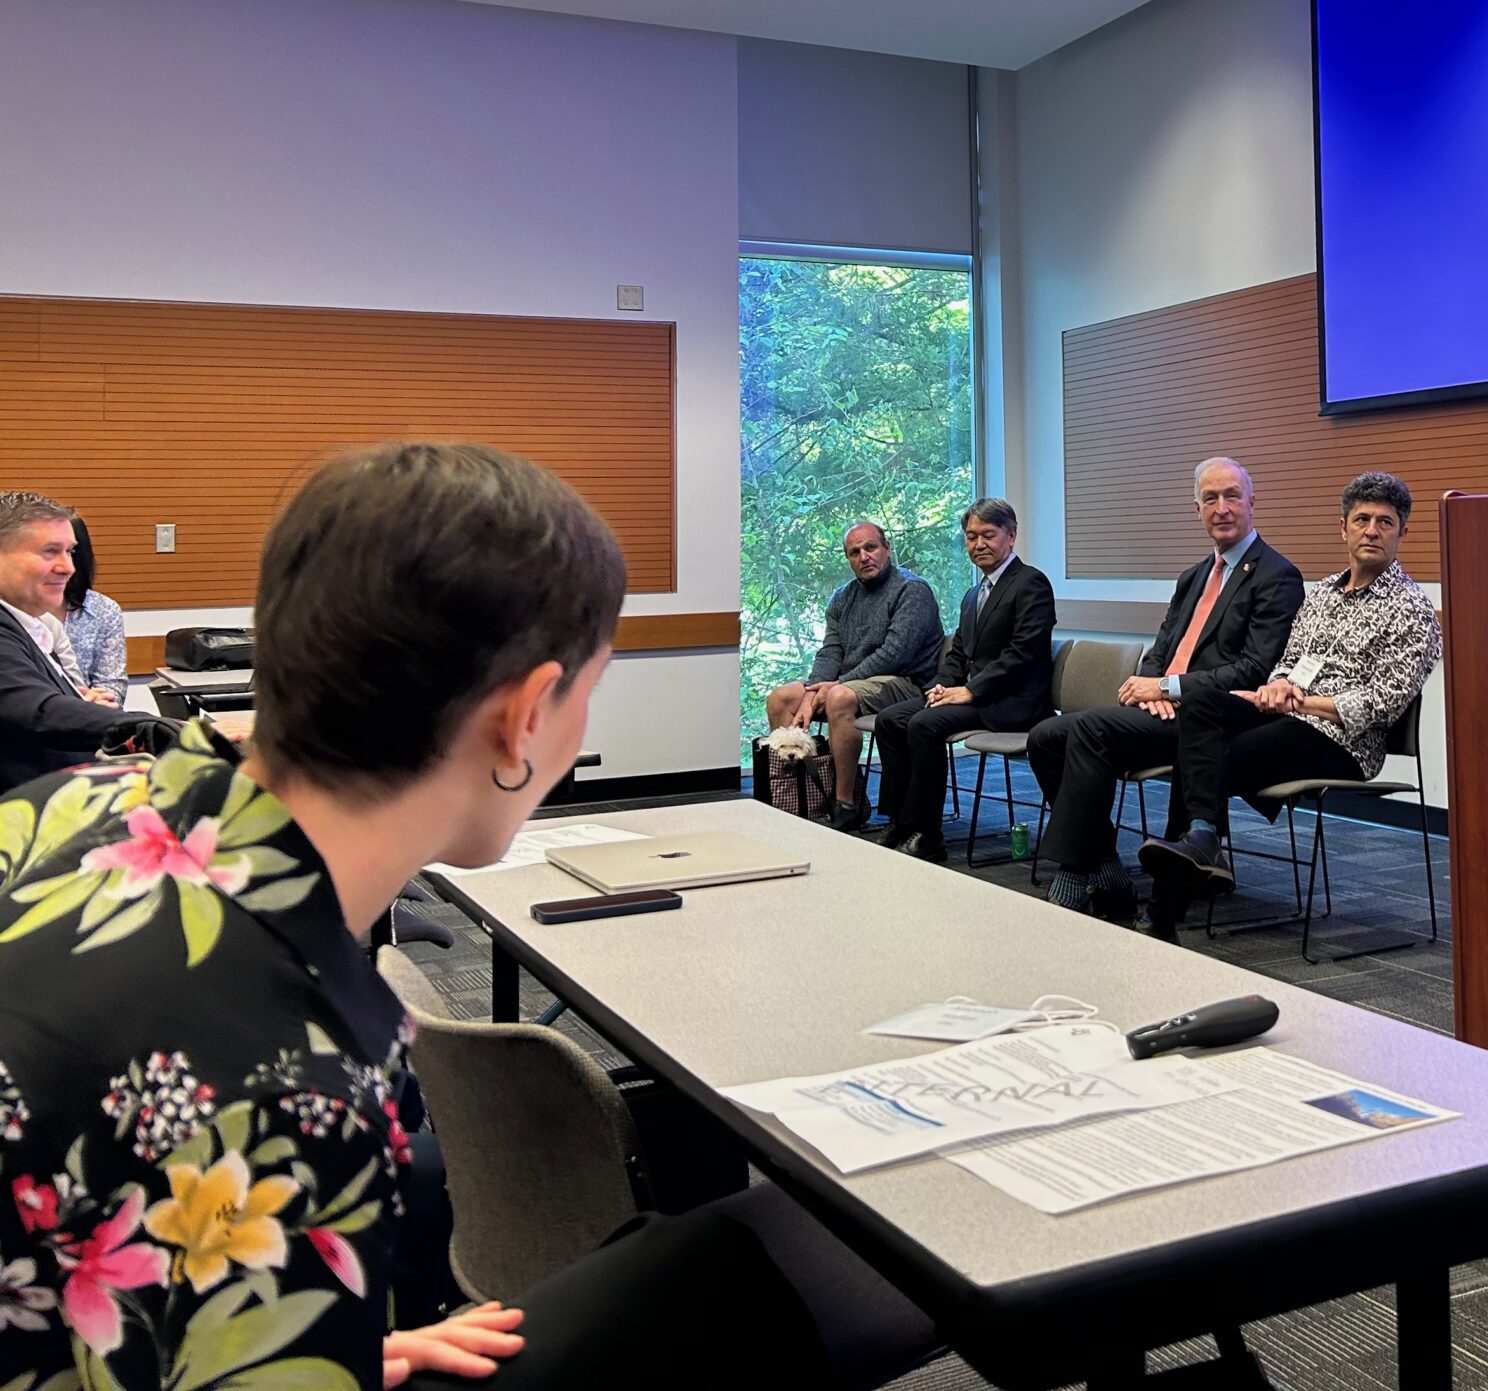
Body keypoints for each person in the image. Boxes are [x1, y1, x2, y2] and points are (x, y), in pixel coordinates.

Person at [0, 443, 920, 1388]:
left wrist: (297, 1328)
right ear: (523, 717)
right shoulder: (288, 1059)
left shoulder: (64, 809)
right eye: (586, 693)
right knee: (776, 1269)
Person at [1138, 473, 1441, 933]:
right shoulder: (1319, 595)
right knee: (1201, 703)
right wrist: (1278, 686)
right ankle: (1203, 838)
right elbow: (1288, 660)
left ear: (1403, 532)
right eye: (1362, 520)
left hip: (1343, 742)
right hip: (1286, 716)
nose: (1372, 531)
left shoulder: (1412, 609)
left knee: (1206, 757)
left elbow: (1382, 704)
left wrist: (1302, 703)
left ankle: (1168, 905)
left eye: (1385, 522)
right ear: (1343, 528)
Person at [1028, 458, 1304, 917]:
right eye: (1210, 499)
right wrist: (1151, 683)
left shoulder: (1277, 576)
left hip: (1212, 719)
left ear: (1252, 503)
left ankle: (1075, 870)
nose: (1222, 508)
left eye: (1232, 496)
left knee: (1091, 731)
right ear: (1196, 510)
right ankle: (1103, 862)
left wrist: (1168, 688)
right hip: (1166, 708)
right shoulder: (1193, 576)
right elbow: (1162, 647)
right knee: (1046, 737)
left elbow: (1255, 668)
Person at [873, 499, 1055, 863]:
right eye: (971, 537)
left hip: (1013, 702)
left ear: (1011, 535)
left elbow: (1023, 654)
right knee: (890, 719)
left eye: (988, 535)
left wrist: (970, 690)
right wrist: (941, 686)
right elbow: (958, 653)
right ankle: (900, 819)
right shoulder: (974, 593)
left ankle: (928, 833)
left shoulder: (1031, 583)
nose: (978, 544)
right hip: (976, 696)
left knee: (925, 724)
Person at [761, 521, 944, 831]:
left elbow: (894, 654)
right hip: (853, 682)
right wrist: (809, 693)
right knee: (781, 698)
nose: (864, 557)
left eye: (870, 548)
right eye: (854, 552)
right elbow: (830, 651)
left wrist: (836, 684)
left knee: (839, 697)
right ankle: (802, 796)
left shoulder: (912, 590)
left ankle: (845, 803)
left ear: (887, 549)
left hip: (907, 683)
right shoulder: (842, 597)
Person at [0, 492, 139, 790]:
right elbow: (39, 713)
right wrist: (157, 727)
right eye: (50, 552)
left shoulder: (33, 626)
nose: (68, 567)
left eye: (70, 552)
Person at [58, 513, 129, 702]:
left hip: (87, 718)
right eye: (49, 551)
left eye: (69, 552)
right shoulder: (17, 608)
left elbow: (113, 683)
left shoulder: (104, 609)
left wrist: (96, 701)